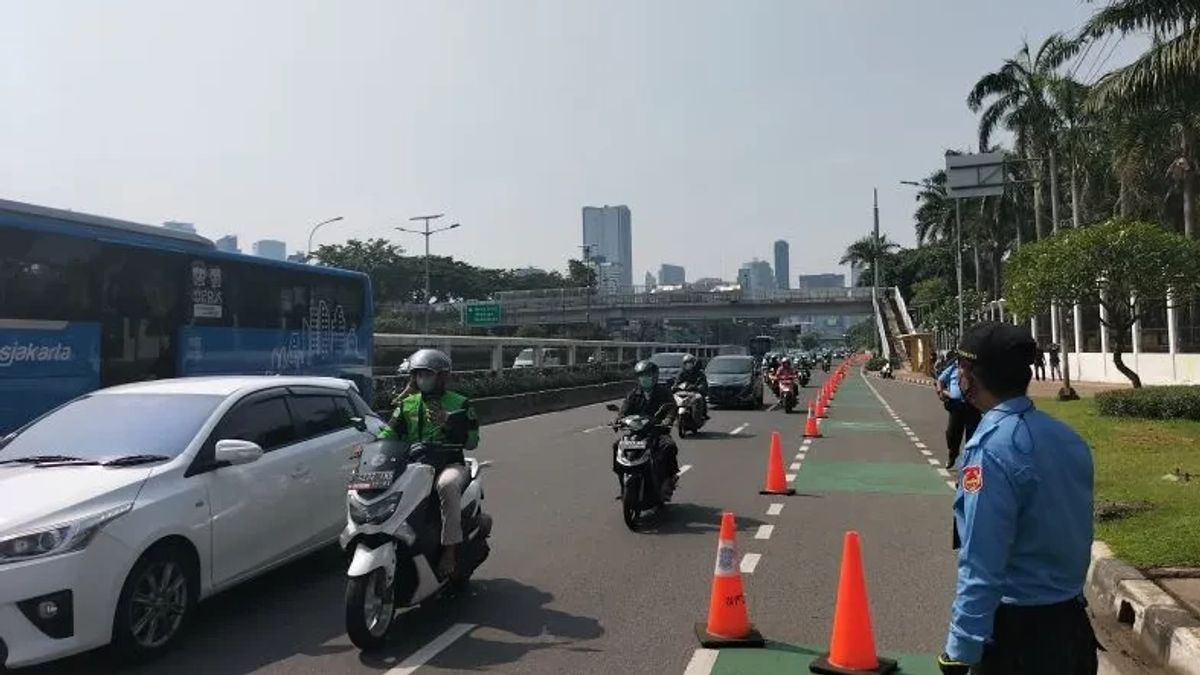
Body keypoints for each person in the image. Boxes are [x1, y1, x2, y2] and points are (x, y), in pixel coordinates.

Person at [937, 322, 1098, 675]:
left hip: (1017, 641)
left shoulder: (992, 450)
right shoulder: (1067, 438)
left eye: (960, 369)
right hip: (1072, 629)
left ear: (969, 376)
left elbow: (981, 560)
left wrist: (961, 648)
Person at [381, 348, 479, 578]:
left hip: (449, 465)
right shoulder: (406, 404)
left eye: (428, 374)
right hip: (413, 466)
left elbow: (472, 441)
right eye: (418, 374)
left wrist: (448, 423)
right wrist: (368, 448)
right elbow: (389, 434)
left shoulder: (461, 404)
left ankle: (449, 551)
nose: (422, 379)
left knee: (448, 487)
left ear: (442, 376)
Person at [615, 360, 679, 496]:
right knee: (617, 446)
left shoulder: (663, 392)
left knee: (669, 446)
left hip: (657, 431)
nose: (644, 379)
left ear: (654, 377)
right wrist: (619, 420)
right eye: (641, 376)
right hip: (637, 432)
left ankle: (669, 479)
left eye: (647, 375)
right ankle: (622, 481)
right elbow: (624, 410)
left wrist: (668, 419)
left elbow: (672, 408)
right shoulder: (633, 394)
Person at [936, 351, 981, 470]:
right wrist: (941, 391)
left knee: (972, 440)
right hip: (956, 407)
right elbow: (940, 380)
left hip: (972, 407)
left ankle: (967, 470)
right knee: (952, 434)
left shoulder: (978, 369)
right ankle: (953, 454)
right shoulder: (952, 368)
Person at [674, 353, 709, 421]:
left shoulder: (699, 373)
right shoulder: (681, 373)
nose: (688, 365)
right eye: (687, 363)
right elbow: (677, 382)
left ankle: (702, 414)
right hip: (683, 391)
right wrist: (674, 386)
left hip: (694, 391)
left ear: (694, 364)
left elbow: (702, 382)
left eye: (690, 363)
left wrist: (699, 387)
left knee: (701, 398)